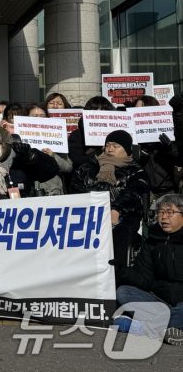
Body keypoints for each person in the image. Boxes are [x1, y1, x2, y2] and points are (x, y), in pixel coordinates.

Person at [70, 130, 150, 277]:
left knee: (121, 233)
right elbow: (76, 192)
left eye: (116, 146)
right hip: (88, 216)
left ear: (127, 150)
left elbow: (134, 193)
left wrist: (117, 209)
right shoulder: (87, 169)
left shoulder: (136, 171)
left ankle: (115, 275)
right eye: (108, 145)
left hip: (120, 219)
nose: (110, 149)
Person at [114, 193, 183, 346]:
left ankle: (140, 328)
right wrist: (122, 271)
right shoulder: (153, 240)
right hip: (160, 302)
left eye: (170, 212)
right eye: (160, 212)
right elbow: (145, 279)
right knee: (123, 292)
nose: (163, 217)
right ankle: (171, 327)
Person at [0, 126, 59, 202]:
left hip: (24, 213)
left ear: (6, 145)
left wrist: (32, 156)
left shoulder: (20, 162)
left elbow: (51, 171)